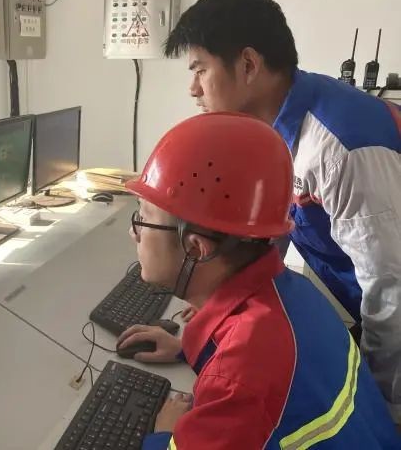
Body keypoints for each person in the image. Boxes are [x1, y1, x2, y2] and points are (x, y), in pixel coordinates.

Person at [163, 0, 401, 420]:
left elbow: (392, 293)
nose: (193, 89)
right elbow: (265, 245)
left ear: (248, 65)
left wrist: (384, 412)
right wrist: (204, 333)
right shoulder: (267, 128)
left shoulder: (341, 147)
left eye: (200, 70)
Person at [118, 112, 400, 449]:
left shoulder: (240, 380)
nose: (133, 232)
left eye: (142, 217)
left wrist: (164, 433)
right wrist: (186, 352)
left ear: (195, 248)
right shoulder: (293, 293)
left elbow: (247, 382)